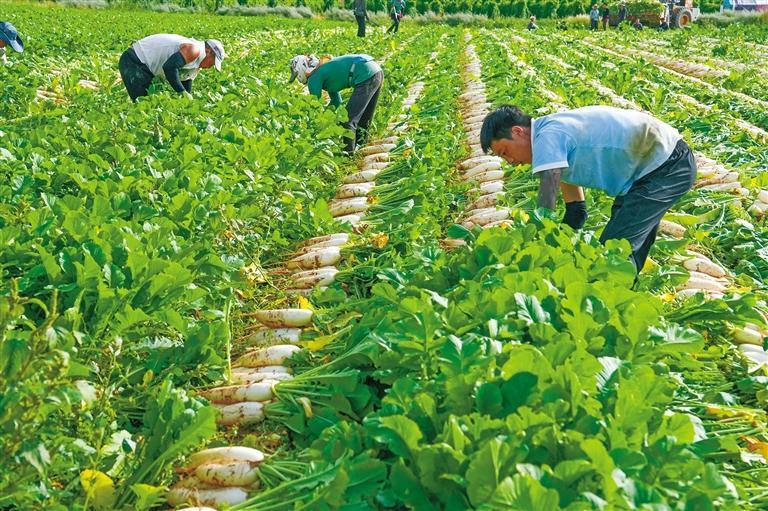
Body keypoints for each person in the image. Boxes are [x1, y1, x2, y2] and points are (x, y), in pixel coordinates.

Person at [479, 105, 696, 273]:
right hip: (650, 170)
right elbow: (577, 211)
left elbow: (545, 210)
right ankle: (624, 297)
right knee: (624, 243)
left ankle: (613, 299)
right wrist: (565, 237)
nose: (510, 161)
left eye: (505, 152)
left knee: (613, 251)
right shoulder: (553, 137)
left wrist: (530, 252)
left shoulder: (547, 138)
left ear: (518, 131)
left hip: (666, 165)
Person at [289, 54, 384, 154]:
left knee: (347, 120)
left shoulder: (314, 78)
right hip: (375, 71)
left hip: (365, 74)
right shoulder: (325, 69)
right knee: (364, 119)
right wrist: (328, 117)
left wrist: (312, 127)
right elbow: (337, 101)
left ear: (300, 68)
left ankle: (348, 154)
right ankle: (361, 148)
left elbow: (314, 107)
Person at [118, 34, 226, 102]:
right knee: (142, 104)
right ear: (208, 52)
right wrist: (182, 92)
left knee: (149, 103)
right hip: (134, 61)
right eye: (212, 63)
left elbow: (186, 79)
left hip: (145, 67)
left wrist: (188, 100)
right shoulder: (194, 50)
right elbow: (169, 67)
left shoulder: (197, 63)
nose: (210, 67)